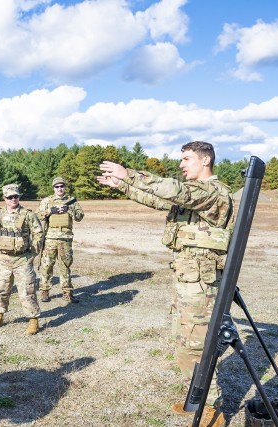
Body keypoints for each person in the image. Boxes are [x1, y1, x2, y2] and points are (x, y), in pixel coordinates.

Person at [97, 141, 232, 427]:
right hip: (187, 281)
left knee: (198, 345)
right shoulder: (192, 197)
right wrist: (123, 186)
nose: (182, 164)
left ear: (206, 159)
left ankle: (213, 408)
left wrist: (129, 174)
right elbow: (158, 199)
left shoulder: (214, 194)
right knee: (184, 342)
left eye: (186, 159)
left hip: (202, 287)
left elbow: (174, 190)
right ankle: (197, 397)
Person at [0, 184, 44, 335]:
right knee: (1, 289)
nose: (13, 199)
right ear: (4, 198)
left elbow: (39, 234)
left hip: (22, 260)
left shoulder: (28, 215)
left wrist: (32, 254)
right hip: (2, 260)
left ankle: (33, 320)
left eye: (16, 196)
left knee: (27, 291)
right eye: (10, 197)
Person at [36, 177, 84, 303]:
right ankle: (44, 290)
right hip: (50, 238)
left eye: (62, 186)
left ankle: (67, 292)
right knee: (47, 265)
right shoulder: (47, 201)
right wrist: (50, 211)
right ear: (53, 188)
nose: (60, 188)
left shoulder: (71, 201)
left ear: (65, 187)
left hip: (65, 238)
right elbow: (37, 215)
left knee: (65, 265)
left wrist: (70, 210)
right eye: (57, 186)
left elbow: (80, 217)